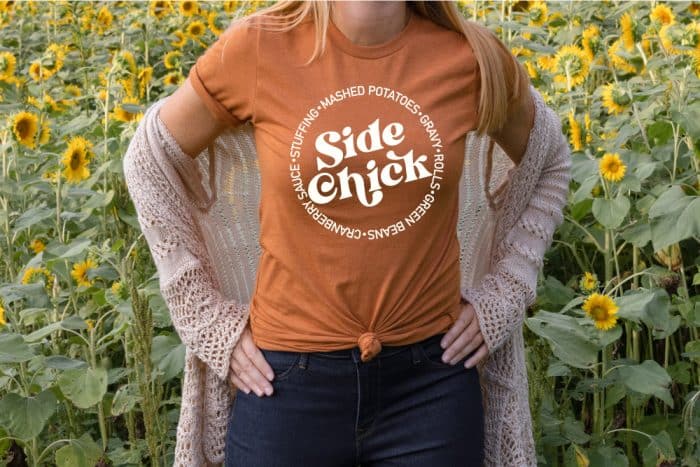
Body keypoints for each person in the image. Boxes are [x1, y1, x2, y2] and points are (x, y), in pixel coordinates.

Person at [153, 1, 557, 465]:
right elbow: (150, 161)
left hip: (431, 387)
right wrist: (206, 319)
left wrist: (506, 292)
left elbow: (548, 162)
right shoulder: (259, 47)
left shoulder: (471, 57)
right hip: (284, 385)